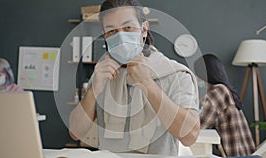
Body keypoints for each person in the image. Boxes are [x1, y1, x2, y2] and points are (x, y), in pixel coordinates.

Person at [69, 0, 200, 155]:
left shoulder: (176, 75)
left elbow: (189, 136)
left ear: (143, 29)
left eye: (128, 28)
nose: (120, 36)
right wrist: (93, 90)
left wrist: (147, 84)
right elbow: (75, 132)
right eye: (111, 31)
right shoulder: (103, 73)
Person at [193, 54, 255, 157]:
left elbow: (199, 124)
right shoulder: (224, 89)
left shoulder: (218, 91)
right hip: (243, 152)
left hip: (236, 155)